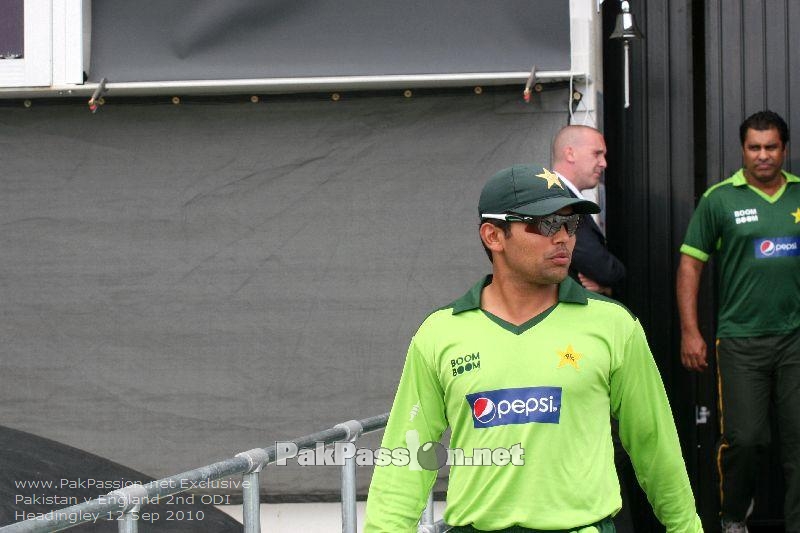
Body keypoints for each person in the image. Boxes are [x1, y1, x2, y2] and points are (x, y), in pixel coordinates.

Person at [365, 164, 702, 532]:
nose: (563, 238)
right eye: (544, 224)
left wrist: (687, 527)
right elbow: (407, 459)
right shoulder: (439, 334)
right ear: (493, 236)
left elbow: (655, 443)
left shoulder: (614, 325)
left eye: (570, 224)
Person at [677, 110, 800, 533]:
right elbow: (690, 265)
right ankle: (733, 519)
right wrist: (690, 332)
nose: (763, 155)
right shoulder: (720, 199)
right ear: (742, 149)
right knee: (746, 440)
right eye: (754, 147)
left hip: (795, 339)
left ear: (785, 149)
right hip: (740, 341)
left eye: (771, 147)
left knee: (799, 441)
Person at [551, 125, 625, 296]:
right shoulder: (561, 202)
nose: (604, 163)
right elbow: (602, 268)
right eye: (596, 153)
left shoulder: (558, 196)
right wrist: (612, 279)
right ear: (570, 154)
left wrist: (606, 285)